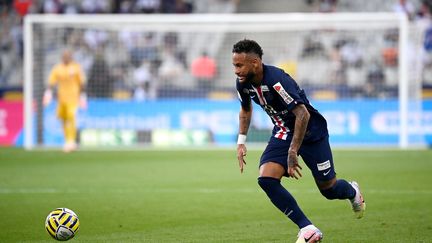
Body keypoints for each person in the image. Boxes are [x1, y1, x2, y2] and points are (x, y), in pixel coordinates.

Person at [232, 39, 365, 243]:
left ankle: (352, 191)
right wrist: (241, 141)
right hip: (284, 131)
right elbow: (245, 109)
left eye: (239, 65)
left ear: (256, 63)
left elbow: (303, 114)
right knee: (266, 178)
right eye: (234, 65)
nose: (236, 70)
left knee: (329, 189)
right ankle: (308, 229)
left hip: (312, 133)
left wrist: (293, 151)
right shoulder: (243, 84)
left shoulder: (277, 81)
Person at [43, 50, 87, 152]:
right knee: (63, 118)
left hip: (73, 98)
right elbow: (51, 82)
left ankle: (71, 141)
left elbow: (82, 82)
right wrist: (48, 93)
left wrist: (83, 95)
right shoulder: (57, 68)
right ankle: (67, 140)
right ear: (62, 57)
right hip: (61, 98)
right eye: (64, 56)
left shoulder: (76, 67)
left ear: (71, 57)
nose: (66, 58)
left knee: (71, 117)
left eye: (68, 56)